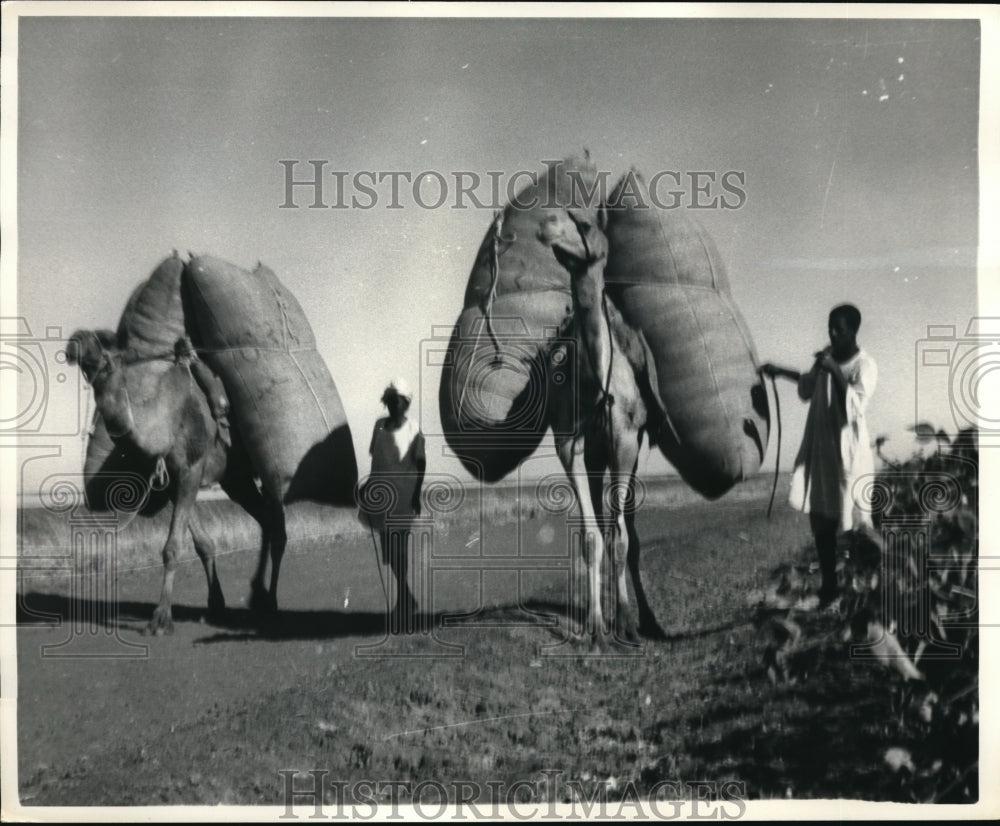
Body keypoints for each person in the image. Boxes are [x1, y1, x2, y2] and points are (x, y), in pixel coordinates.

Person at [761, 303, 877, 607]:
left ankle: (861, 585)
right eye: (830, 328)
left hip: (849, 455)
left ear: (853, 331)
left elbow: (854, 406)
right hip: (821, 450)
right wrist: (779, 371)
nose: (833, 334)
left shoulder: (864, 365)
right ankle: (829, 587)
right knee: (822, 519)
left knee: (852, 518)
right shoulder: (827, 358)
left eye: (839, 330)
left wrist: (833, 369)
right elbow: (807, 386)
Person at [364, 378, 426, 632]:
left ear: (406, 403)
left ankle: (403, 601)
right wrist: (368, 487)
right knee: (389, 553)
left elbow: (421, 463)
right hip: (380, 496)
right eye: (389, 400)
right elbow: (376, 460)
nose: (392, 405)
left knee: (399, 548)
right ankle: (406, 596)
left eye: (397, 401)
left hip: (403, 495)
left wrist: (416, 495)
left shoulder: (414, 429)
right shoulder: (379, 426)